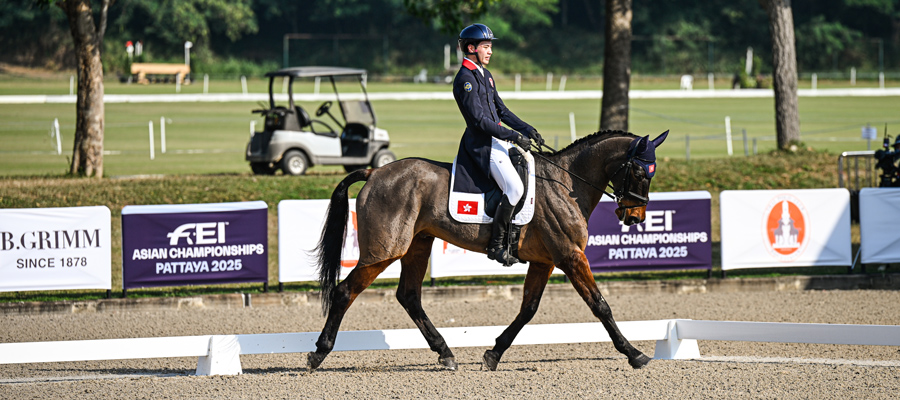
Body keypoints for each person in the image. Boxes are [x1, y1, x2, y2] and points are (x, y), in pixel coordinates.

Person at [452, 23, 543, 266]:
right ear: (471, 48)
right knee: (514, 189)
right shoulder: (465, 79)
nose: (490, 51)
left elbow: (501, 110)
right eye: (486, 47)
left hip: (496, 140)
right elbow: (480, 121)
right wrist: (513, 136)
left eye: (491, 47)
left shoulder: (485, 75)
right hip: (482, 146)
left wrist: (526, 128)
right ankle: (496, 245)